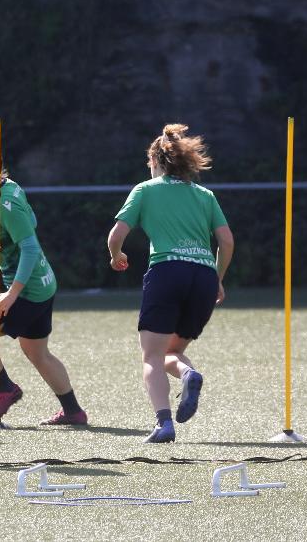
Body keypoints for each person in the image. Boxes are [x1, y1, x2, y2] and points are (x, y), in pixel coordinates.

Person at [106, 124, 233, 443]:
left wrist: (116, 255)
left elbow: (116, 235)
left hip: (167, 272)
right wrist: (216, 278)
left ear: (156, 162)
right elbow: (227, 242)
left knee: (151, 356)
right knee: (171, 351)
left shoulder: (145, 190)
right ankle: (188, 373)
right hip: (203, 277)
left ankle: (164, 424)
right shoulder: (205, 195)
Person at [0, 130, 88, 426]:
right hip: (44, 284)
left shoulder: (6, 203)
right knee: (37, 352)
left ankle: (6, 389)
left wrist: (11, 294)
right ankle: (73, 411)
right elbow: (29, 224)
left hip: (26, 290)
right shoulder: (9, 188)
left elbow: (29, 247)